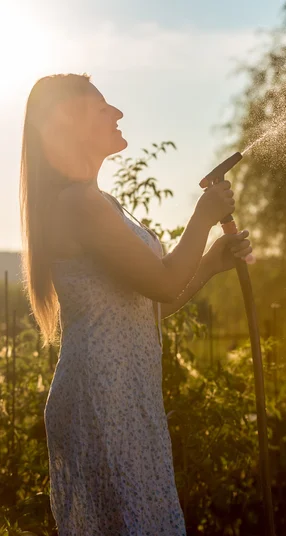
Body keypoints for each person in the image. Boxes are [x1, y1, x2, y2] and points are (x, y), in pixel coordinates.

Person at [19, 73, 252, 535]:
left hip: (126, 392)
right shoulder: (79, 204)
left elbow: (148, 307)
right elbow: (164, 284)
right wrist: (203, 218)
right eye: (103, 108)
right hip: (102, 395)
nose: (119, 114)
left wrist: (207, 264)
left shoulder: (101, 202)